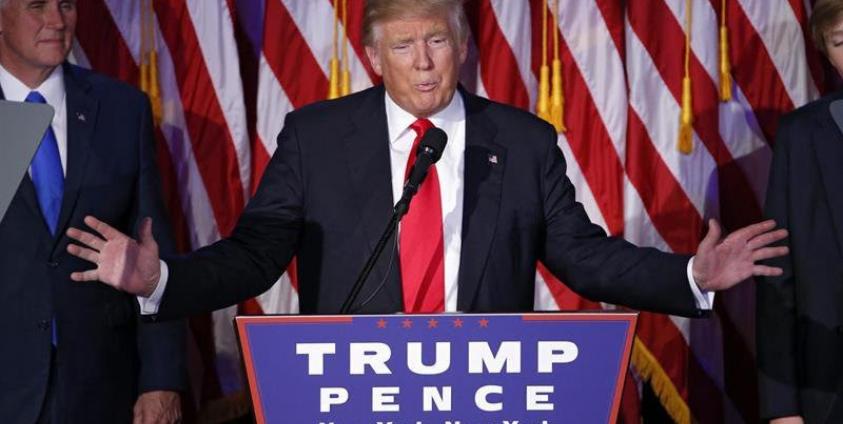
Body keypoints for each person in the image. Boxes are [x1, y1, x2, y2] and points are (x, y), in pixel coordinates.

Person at [68, 1, 785, 324]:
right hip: (354, 388)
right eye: (403, 45)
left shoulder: (524, 139)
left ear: (463, 45)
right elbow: (256, 255)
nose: (422, 62)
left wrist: (689, 275)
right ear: (372, 57)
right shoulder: (315, 136)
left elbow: (579, 255)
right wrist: (162, 280)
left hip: (482, 390)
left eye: (437, 41)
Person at [0, 0, 185, 423]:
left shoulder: (122, 109)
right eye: (36, 6)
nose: (57, 20)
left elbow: (156, 255)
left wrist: (160, 379)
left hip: (101, 387)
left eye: (66, 5)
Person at [757, 1, 843, 422]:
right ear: (826, 53)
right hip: (829, 393)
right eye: (842, 41)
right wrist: (782, 408)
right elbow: (779, 278)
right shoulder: (802, 135)